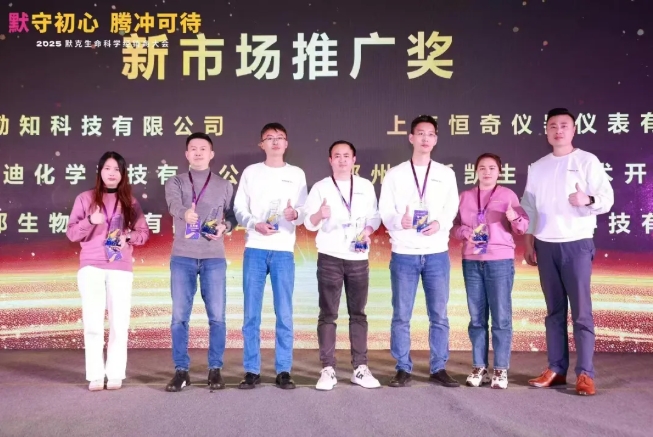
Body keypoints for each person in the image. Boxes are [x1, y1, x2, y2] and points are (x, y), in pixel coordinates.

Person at [522, 108, 614, 396]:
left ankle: (585, 373)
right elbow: (529, 208)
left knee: (581, 312)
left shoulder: (587, 161)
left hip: (576, 243)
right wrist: (528, 241)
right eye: (553, 126)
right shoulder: (537, 167)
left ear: (573, 130)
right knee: (554, 312)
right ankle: (556, 369)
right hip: (545, 244)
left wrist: (587, 199)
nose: (558, 130)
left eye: (564, 125)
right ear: (546, 131)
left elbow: (607, 199)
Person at [378, 115, 460, 388]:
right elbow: (385, 210)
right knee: (401, 315)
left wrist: (439, 223)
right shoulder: (395, 174)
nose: (425, 138)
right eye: (420, 133)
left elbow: (451, 208)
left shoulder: (446, 174)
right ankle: (403, 367)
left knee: (439, 315)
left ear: (435, 139)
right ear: (411, 138)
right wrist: (397, 220)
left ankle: (439, 367)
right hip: (404, 252)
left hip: (436, 252)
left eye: (430, 134)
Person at [66, 151, 150, 391]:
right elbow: (72, 233)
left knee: (119, 323)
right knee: (93, 323)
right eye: (107, 168)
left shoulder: (130, 202)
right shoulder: (85, 198)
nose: (112, 173)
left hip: (120, 267)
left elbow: (143, 233)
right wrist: (90, 221)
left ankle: (115, 373)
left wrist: (127, 237)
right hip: (91, 266)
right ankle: (95, 374)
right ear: (100, 171)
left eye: (116, 169)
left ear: (123, 174)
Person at [233, 122, 308, 390]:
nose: (275, 142)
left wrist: (295, 214)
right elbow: (239, 208)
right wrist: (255, 224)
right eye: (269, 138)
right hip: (255, 247)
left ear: (286, 143)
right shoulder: (251, 172)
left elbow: (304, 211)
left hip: (283, 250)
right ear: (261, 144)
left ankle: (283, 370)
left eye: (280, 138)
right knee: (251, 314)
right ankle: (251, 370)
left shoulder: (297, 174)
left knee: (284, 313)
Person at [303, 141, 382, 391]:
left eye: (346, 155)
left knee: (358, 314)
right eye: (337, 156)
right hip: (330, 256)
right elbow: (308, 223)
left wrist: (367, 231)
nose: (342, 159)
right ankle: (328, 369)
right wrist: (320, 214)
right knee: (328, 314)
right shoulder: (321, 187)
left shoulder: (365, 186)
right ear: (330, 160)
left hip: (358, 257)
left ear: (354, 159)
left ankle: (360, 368)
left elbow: (375, 216)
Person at [164, 132, 237, 392]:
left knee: (217, 317)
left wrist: (226, 226)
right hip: (182, 256)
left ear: (211, 153)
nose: (197, 152)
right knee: (179, 318)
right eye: (193, 148)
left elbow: (232, 215)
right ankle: (181, 371)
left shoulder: (225, 185)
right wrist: (185, 213)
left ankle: (215, 369)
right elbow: (173, 205)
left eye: (202, 148)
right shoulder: (175, 181)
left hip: (214, 257)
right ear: (186, 154)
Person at [450, 153, 529, 389]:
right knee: (476, 318)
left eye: (492, 168)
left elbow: (522, 227)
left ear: (499, 172)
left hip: (499, 261)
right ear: (476, 171)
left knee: (501, 317)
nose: (487, 172)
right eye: (482, 168)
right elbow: (453, 227)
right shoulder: (465, 197)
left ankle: (501, 369)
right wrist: (465, 232)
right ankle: (479, 366)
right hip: (472, 261)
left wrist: (514, 217)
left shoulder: (507, 195)